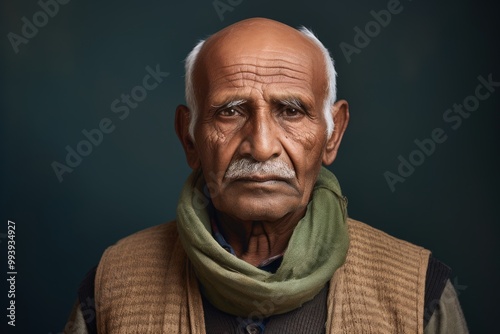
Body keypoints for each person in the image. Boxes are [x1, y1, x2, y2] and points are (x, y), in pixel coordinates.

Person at [64, 18, 468, 333]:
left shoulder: (419, 292)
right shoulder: (112, 284)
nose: (260, 146)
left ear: (333, 134)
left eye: (291, 111)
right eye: (230, 111)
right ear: (190, 138)